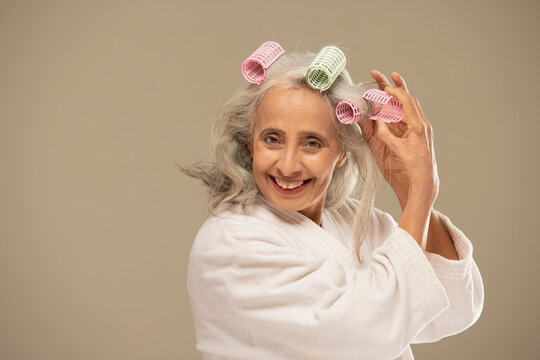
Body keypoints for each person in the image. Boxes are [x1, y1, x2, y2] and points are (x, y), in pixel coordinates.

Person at [177, 48, 484, 360]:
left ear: (343, 151)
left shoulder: (351, 221)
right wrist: (422, 190)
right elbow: (371, 334)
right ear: (250, 143)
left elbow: (453, 308)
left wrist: (409, 190)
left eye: (312, 143)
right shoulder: (231, 244)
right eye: (272, 139)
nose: (288, 165)